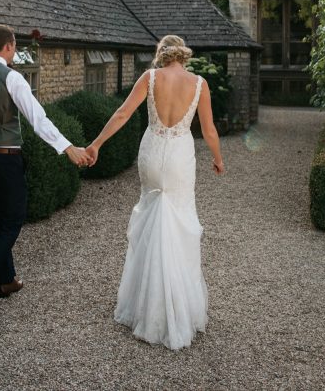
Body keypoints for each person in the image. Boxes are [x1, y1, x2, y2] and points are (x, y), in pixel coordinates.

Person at [86, 35, 225, 350]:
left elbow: (122, 114)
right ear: (183, 56)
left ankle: (143, 305)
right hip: (179, 158)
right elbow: (209, 130)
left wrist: (95, 144)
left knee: (151, 216)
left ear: (161, 55)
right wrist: (217, 159)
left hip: (151, 154)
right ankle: (176, 308)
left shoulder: (149, 78)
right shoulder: (200, 84)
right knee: (178, 222)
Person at [0, 24, 92, 319]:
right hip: (6, 159)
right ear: (8, 45)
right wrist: (68, 147)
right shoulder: (12, 77)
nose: (15, 51)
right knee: (14, 220)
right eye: (15, 46)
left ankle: (7, 281)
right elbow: (37, 118)